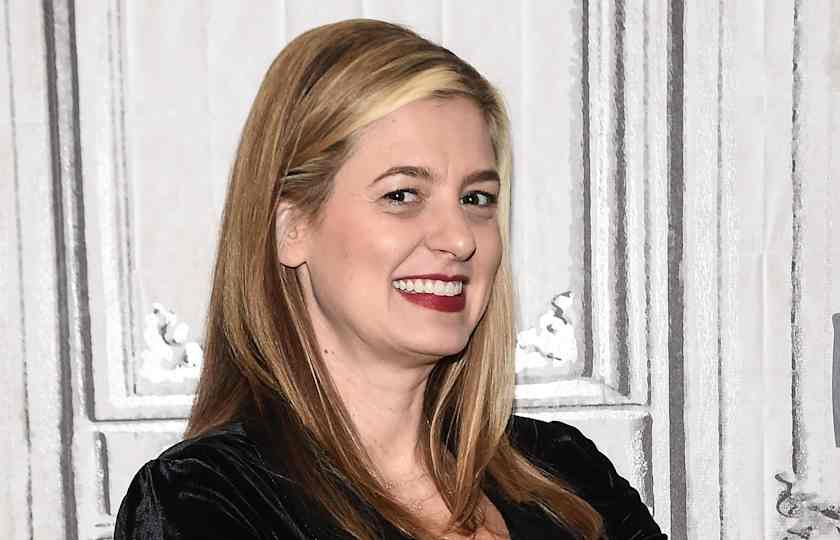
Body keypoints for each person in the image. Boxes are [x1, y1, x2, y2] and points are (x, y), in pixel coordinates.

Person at [114, 18, 665, 540]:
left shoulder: (566, 474)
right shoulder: (204, 501)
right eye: (402, 194)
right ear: (292, 229)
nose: (459, 238)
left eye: (477, 199)